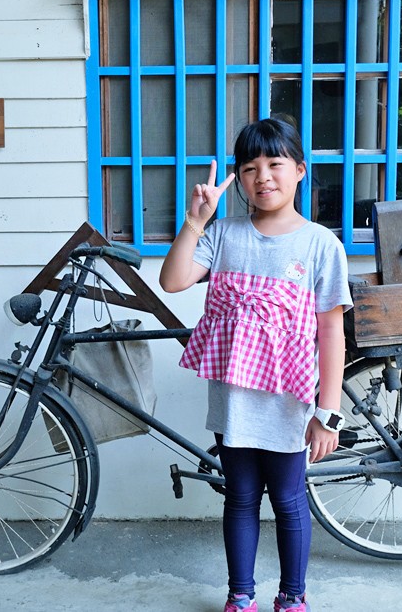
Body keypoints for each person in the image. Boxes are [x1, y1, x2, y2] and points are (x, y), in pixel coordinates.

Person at [160, 118, 352, 612]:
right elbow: (174, 281)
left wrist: (327, 413)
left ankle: (292, 597)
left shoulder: (320, 245)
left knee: (289, 500)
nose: (262, 176)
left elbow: (331, 332)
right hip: (233, 399)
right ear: (239, 179)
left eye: (275, 164)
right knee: (240, 497)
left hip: (290, 402)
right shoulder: (223, 235)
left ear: (300, 171)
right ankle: (240, 596)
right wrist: (196, 220)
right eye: (249, 167)